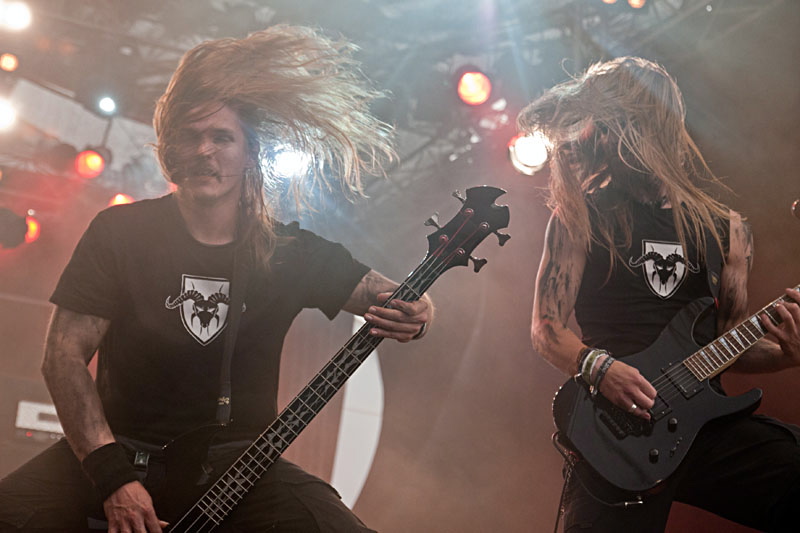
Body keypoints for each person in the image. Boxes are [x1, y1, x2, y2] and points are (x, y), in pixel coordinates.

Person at [0, 25, 433, 532]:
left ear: (252, 153)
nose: (205, 151)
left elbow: (389, 297)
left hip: (240, 470)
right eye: (190, 135)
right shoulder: (121, 232)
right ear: (171, 147)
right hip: (121, 453)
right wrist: (112, 477)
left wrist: (421, 314)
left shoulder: (290, 251)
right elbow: (63, 356)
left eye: (221, 137)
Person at [523, 56, 800, 532]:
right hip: (616, 431)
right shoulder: (580, 217)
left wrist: (788, 354)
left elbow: (728, 345)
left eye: (615, 126)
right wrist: (600, 367)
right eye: (602, 128)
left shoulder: (728, 231)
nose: (603, 139)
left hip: (702, 428)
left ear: (652, 126)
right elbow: (546, 328)